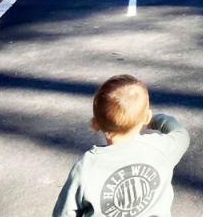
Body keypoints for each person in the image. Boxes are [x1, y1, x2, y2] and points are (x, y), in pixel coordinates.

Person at [53, 75, 190, 217]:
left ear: (95, 124)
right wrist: (154, 120)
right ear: (146, 117)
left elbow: (64, 212)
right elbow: (181, 134)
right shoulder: (161, 148)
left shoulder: (86, 167)